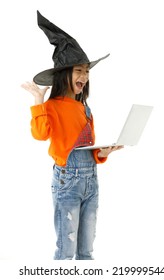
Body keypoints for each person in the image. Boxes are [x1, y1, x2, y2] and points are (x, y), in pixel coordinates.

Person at [21, 11, 123, 260]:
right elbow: (40, 134)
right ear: (64, 74)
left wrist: (102, 153)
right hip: (67, 181)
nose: (84, 77)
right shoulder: (52, 105)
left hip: (91, 182)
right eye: (79, 70)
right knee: (66, 250)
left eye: (87, 71)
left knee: (86, 251)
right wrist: (37, 101)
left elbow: (85, 146)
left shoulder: (85, 107)